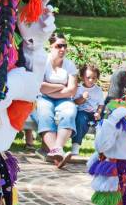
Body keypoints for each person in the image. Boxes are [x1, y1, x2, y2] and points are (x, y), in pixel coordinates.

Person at [35, 33, 78, 167]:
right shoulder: (43, 62)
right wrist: (60, 86)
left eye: (65, 46)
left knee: (69, 112)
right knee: (44, 113)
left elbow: (72, 90)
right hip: (43, 98)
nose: (63, 49)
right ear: (51, 47)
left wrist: (50, 89)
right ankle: (57, 154)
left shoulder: (70, 65)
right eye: (59, 46)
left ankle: (57, 150)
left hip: (64, 99)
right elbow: (40, 87)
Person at [69, 64, 105, 157]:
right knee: (80, 120)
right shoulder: (79, 88)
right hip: (82, 111)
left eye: (94, 78)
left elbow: (101, 104)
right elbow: (75, 102)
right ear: (82, 77)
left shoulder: (98, 90)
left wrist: (98, 112)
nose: (91, 80)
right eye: (88, 77)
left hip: (94, 113)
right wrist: (83, 98)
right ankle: (75, 147)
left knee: (102, 125)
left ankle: (100, 151)